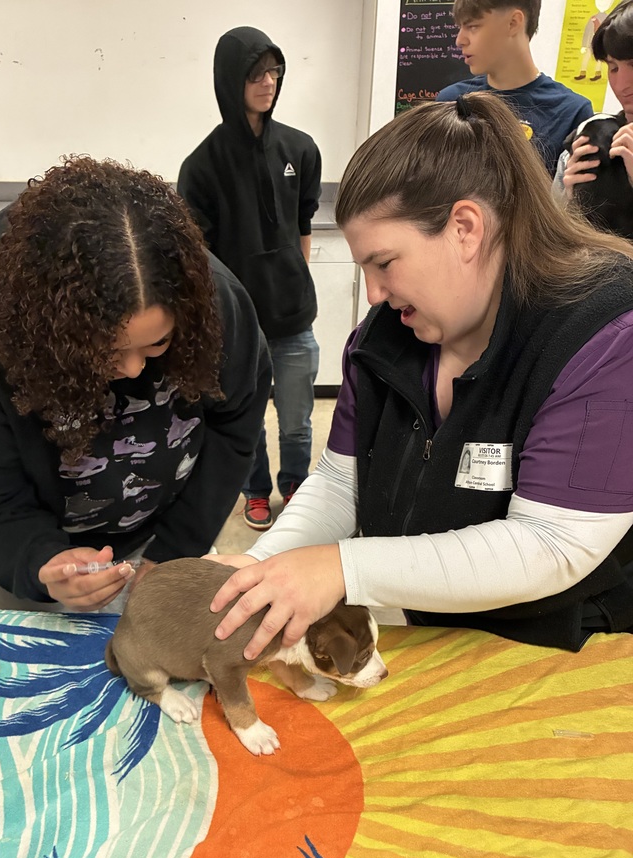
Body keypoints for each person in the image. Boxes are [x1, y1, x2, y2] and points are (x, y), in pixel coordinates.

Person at [206, 92, 633, 657]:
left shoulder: (605, 333)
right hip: (439, 634)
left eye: (384, 264)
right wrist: (261, 570)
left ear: (465, 228)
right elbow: (340, 483)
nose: (376, 294)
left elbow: (553, 544)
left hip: (569, 647)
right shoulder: (382, 341)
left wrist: (342, 567)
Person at [0, 157, 270, 612]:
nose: (134, 369)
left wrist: (177, 547)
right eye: (105, 354)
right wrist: (41, 563)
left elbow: (235, 426)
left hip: (167, 534)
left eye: (157, 344)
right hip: (39, 567)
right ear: (47, 336)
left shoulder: (213, 299)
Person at [177, 26, 321, 532]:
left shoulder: (300, 149)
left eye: (275, 72)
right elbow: (200, 260)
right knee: (250, 418)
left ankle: (296, 485)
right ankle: (255, 490)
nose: (269, 83)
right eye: (257, 74)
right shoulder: (201, 166)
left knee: (298, 419)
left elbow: (302, 226)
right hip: (237, 327)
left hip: (294, 317)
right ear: (229, 80)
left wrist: (297, 280)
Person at [436, 0, 592, 175]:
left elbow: (572, 198)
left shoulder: (572, 113)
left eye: (472, 26)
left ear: (513, 23)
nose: (459, 40)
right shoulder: (450, 102)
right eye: (459, 27)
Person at [554, 0, 633, 230]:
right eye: (613, 67)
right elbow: (549, 247)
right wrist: (571, 203)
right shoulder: (589, 143)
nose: (622, 84)